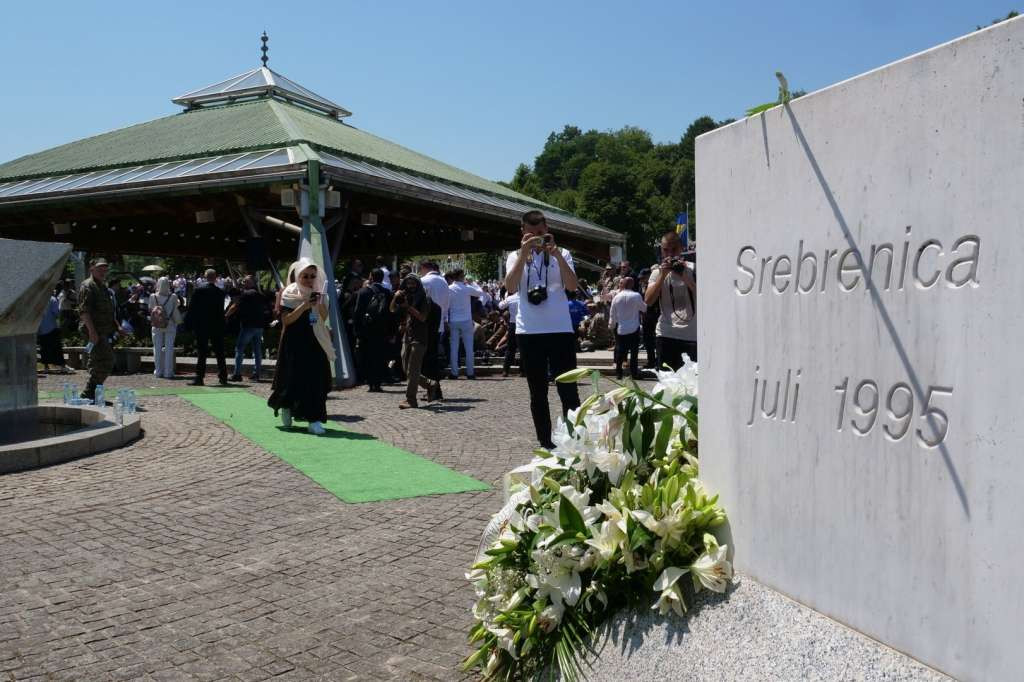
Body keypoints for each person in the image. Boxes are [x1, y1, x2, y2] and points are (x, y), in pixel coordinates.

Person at [504, 210, 581, 449]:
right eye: (532, 233)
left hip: (560, 330)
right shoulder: (515, 255)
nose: (538, 237)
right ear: (523, 232)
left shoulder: (563, 253)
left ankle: (574, 439)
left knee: (568, 389)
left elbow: (572, 286)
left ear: (547, 229)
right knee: (537, 393)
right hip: (529, 332)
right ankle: (545, 441)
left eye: (541, 233)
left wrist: (556, 254)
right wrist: (525, 252)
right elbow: (510, 287)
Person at [267, 259, 333, 434]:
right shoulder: (289, 294)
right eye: (305, 276)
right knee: (292, 379)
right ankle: (286, 407)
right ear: (298, 275)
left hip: (315, 341)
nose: (309, 279)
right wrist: (304, 306)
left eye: (312, 276)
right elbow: (287, 320)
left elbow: (325, 317)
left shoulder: (318, 292)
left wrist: (318, 304)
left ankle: (314, 419)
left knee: (316, 381)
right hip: (295, 342)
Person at [645, 231, 697, 369]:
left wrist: (685, 277)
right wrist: (663, 276)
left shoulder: (694, 269)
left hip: (691, 335)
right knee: (667, 382)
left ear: (681, 249)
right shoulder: (657, 272)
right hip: (666, 334)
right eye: (665, 250)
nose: (669, 254)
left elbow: (706, 299)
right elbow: (648, 301)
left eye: (673, 250)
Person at [391, 274, 440, 409]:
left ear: (418, 284)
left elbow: (422, 317)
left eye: (413, 283)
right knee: (406, 369)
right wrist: (395, 297)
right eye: (408, 283)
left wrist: (408, 307)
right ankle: (430, 384)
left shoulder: (425, 299)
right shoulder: (405, 296)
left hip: (420, 338)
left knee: (413, 370)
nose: (410, 286)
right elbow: (392, 309)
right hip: (407, 337)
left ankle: (411, 400)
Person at [78, 258, 122, 401]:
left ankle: (94, 393)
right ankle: (89, 393)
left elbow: (109, 310)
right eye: (100, 269)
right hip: (94, 331)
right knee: (106, 361)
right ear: (91, 269)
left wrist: (117, 326)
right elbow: (84, 311)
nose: (103, 272)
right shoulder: (88, 286)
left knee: (99, 362)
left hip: (103, 330)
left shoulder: (102, 287)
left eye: (105, 269)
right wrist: (92, 332)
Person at [184, 269, 228, 386]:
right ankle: (223, 377)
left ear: (205, 277)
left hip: (202, 325)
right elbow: (220, 311)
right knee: (219, 352)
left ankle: (199, 377)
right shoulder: (220, 292)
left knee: (202, 352)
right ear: (216, 278)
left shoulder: (198, 291)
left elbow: (192, 309)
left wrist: (188, 324)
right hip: (216, 325)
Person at [352, 269, 393, 392]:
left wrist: (357, 331)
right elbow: (391, 314)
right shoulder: (387, 292)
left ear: (371, 277)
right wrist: (391, 331)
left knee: (368, 356)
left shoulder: (363, 292)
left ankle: (370, 382)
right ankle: (378, 382)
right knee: (380, 356)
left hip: (367, 330)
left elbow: (357, 312)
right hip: (382, 330)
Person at [227, 276, 266, 382]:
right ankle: (257, 374)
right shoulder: (260, 295)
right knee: (257, 351)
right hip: (259, 326)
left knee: (239, 349)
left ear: (252, 283)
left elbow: (235, 306)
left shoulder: (245, 294)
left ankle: (237, 374)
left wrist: (226, 315)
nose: (243, 283)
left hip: (248, 325)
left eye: (246, 281)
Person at [419, 261, 450, 387]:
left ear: (424, 268)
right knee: (434, 355)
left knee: (425, 357)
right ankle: (435, 385)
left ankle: (430, 386)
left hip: (426, 323)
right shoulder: (444, 282)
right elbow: (447, 303)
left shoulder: (423, 281)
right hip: (440, 322)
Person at [447, 269, 482, 379]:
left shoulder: (449, 288)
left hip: (453, 320)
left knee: (454, 348)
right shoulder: (467, 288)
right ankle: (470, 373)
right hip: (466, 320)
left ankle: (454, 373)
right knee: (469, 348)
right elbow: (480, 292)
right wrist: (472, 283)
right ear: (461, 276)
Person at [609, 277, 646, 380]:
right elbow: (644, 308)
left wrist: (611, 326)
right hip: (634, 327)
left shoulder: (616, 297)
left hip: (621, 328)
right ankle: (634, 373)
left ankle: (619, 373)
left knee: (620, 351)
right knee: (634, 352)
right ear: (632, 284)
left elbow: (612, 314)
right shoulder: (636, 295)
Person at [148, 276, 182, 379]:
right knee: (169, 348)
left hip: (157, 324)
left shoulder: (152, 296)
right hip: (170, 324)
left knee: (157, 348)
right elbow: (177, 307)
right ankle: (168, 372)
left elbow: (150, 310)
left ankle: (158, 371)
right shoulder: (173, 296)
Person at [37, 289, 68, 373]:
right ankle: (62, 366)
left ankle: (46, 367)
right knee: (57, 348)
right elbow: (56, 313)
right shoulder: (52, 299)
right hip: (52, 327)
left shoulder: (38, 299)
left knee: (44, 348)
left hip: (41, 328)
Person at [498, 292, 521, 377]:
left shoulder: (511, 298)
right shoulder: (525, 297)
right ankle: (523, 371)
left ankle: (505, 370)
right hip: (524, 325)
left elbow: (500, 306)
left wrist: (507, 298)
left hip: (513, 324)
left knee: (510, 348)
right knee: (523, 349)